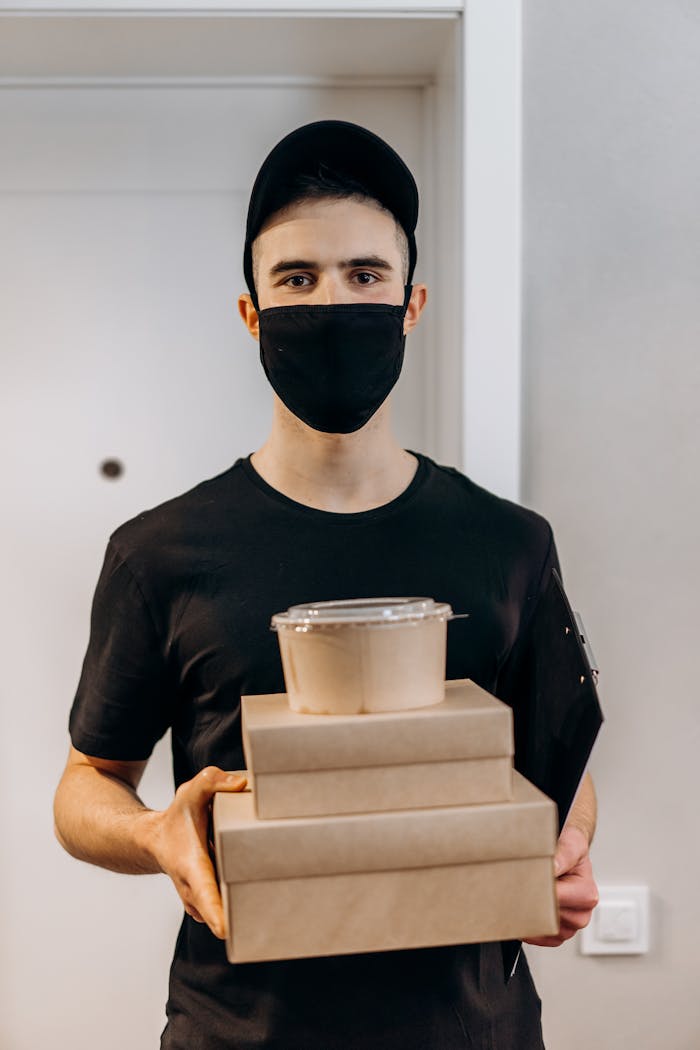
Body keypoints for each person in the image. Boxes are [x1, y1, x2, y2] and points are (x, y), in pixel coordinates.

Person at [54, 120, 598, 1049]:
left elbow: (558, 759)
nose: (334, 301)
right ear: (251, 313)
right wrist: (153, 835)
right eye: (297, 279)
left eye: (365, 275)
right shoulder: (160, 551)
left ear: (411, 303)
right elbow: (87, 785)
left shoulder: (510, 542)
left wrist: (560, 853)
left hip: (474, 1029)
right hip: (242, 1029)